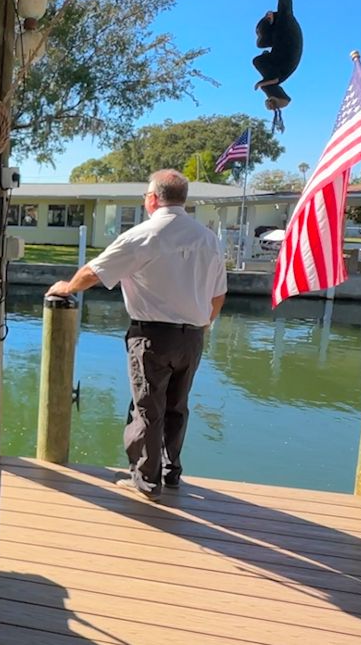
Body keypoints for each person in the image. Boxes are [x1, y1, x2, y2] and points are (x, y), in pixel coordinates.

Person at [47, 170, 227, 501]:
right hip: (193, 337)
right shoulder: (208, 239)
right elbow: (218, 296)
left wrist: (67, 287)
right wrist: (203, 323)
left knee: (148, 407)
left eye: (146, 194)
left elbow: (94, 272)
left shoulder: (143, 235)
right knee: (177, 406)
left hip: (153, 337)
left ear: (153, 198)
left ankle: (146, 480)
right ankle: (171, 473)